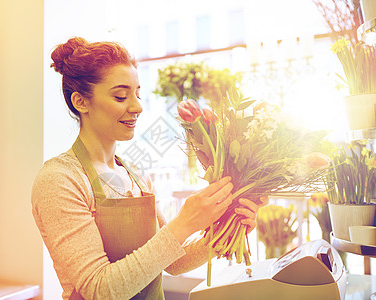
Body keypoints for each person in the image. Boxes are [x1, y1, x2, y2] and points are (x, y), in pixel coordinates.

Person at [31, 37, 268, 300]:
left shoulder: (135, 175)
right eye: (121, 96)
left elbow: (173, 262)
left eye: (138, 94)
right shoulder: (60, 180)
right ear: (81, 102)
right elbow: (100, 289)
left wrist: (227, 229)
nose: (137, 107)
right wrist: (184, 223)